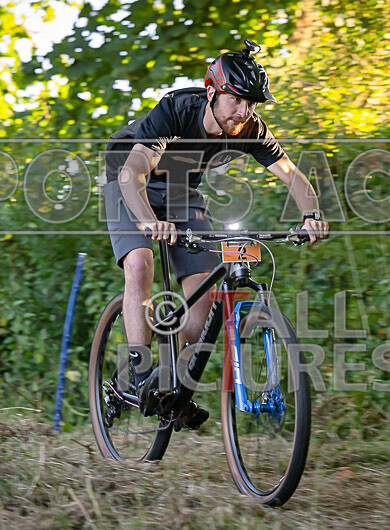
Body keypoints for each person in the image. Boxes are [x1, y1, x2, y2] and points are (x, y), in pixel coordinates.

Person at [103, 39, 328, 430]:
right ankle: (138, 372)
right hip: (129, 181)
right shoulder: (177, 110)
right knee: (140, 264)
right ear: (212, 93)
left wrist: (312, 215)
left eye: (251, 104)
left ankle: (169, 376)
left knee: (205, 293)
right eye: (236, 100)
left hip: (180, 192)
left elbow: (291, 175)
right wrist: (148, 221)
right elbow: (132, 173)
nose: (244, 112)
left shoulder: (250, 127)